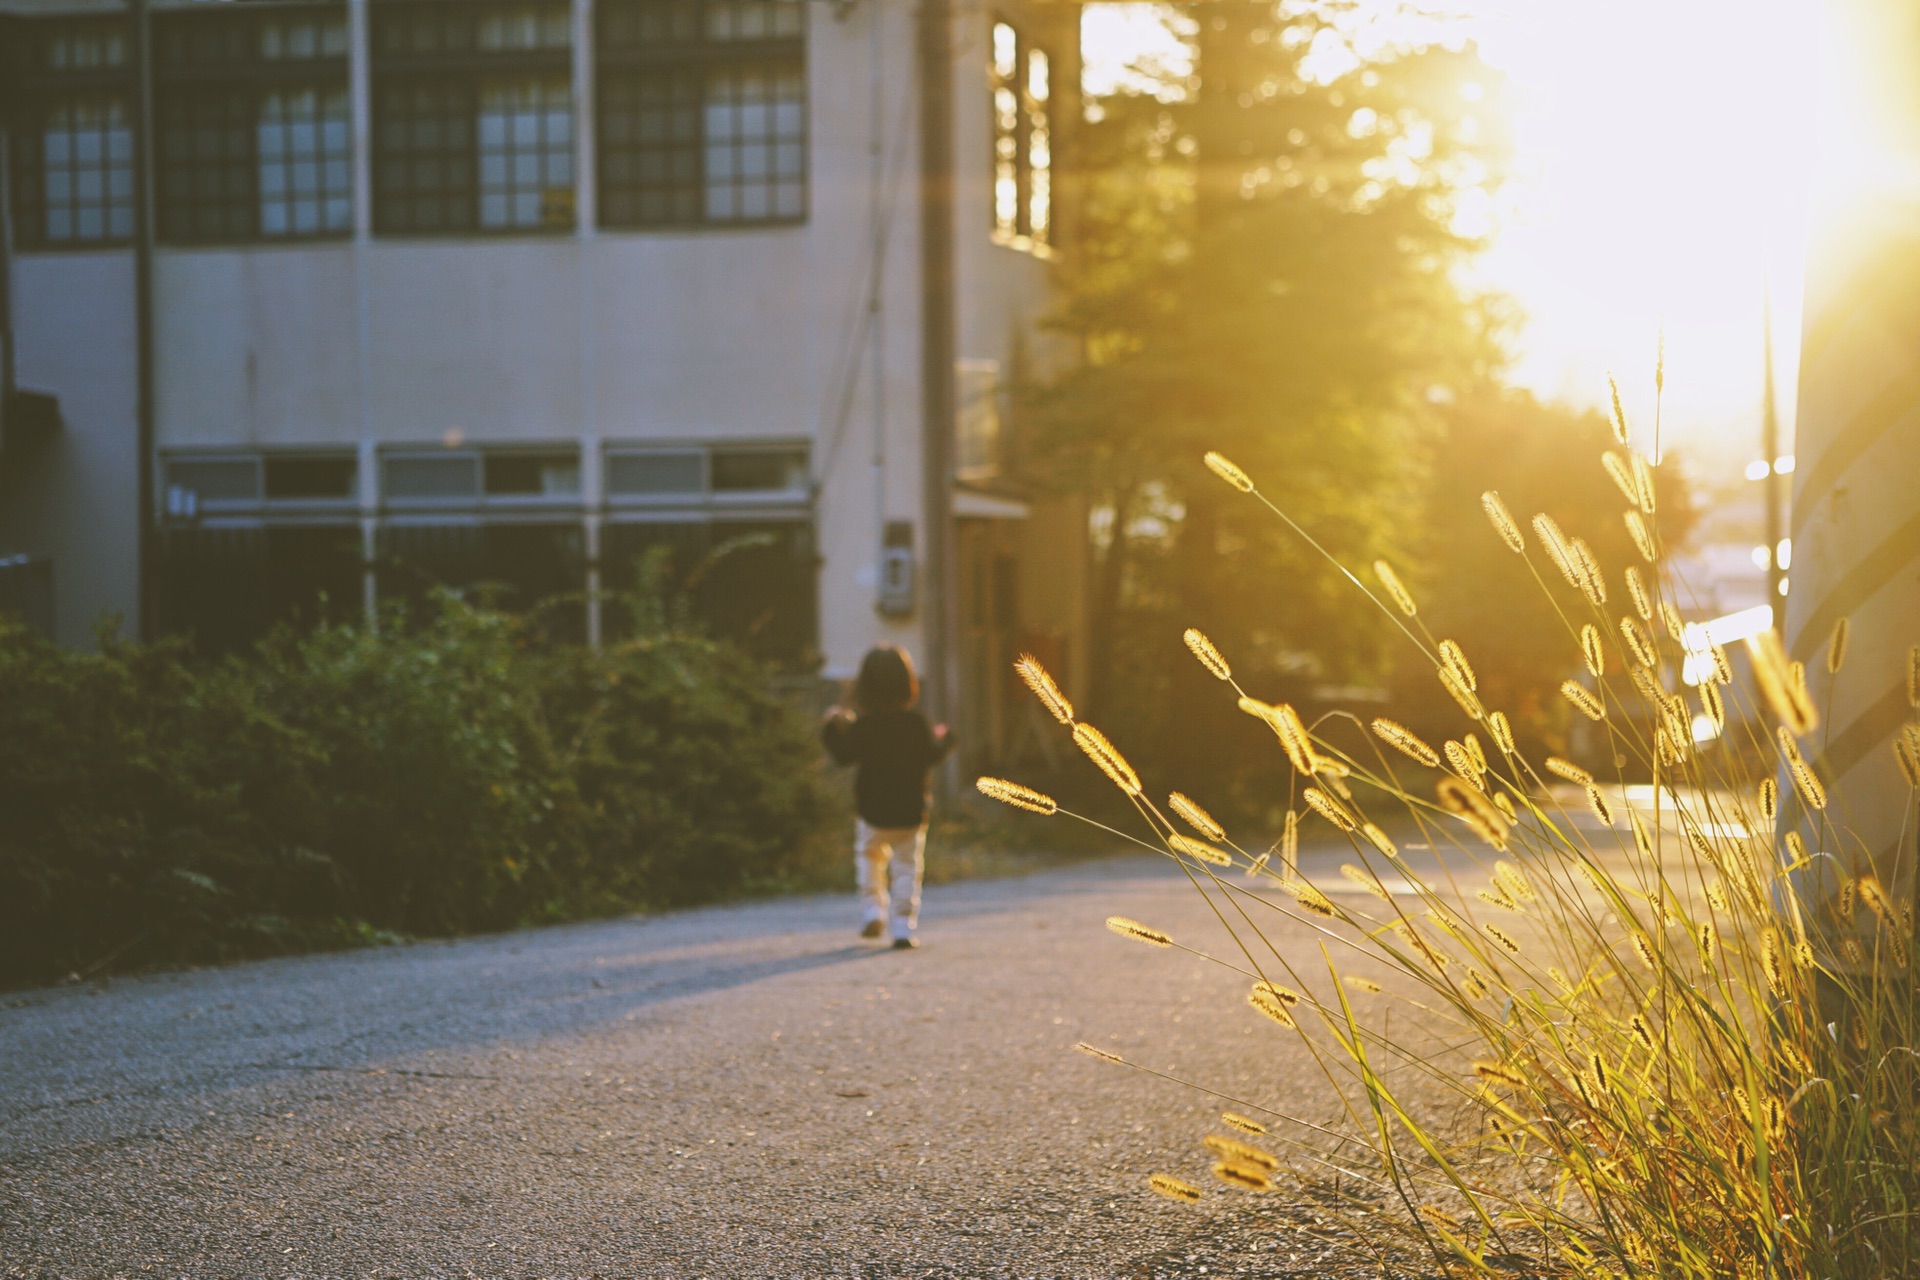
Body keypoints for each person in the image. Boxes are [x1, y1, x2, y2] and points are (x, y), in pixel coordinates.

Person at [821, 646, 953, 949]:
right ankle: (903, 925)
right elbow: (934, 754)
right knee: (907, 867)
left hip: (872, 811)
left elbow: (843, 756)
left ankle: (872, 910)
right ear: (908, 683)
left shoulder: (863, 727)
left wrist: (831, 727)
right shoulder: (916, 724)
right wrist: (948, 739)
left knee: (869, 858)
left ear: (864, 687)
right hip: (910, 811)